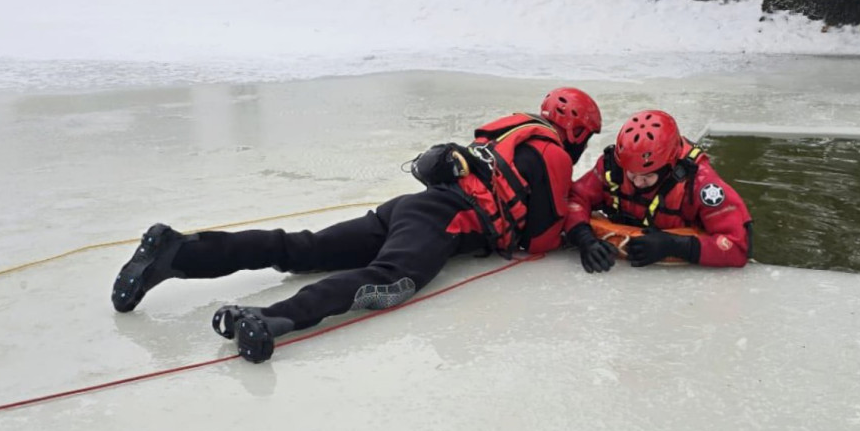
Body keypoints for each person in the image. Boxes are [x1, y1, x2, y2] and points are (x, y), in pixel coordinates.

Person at [110, 87, 602, 364]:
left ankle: (178, 253)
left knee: (299, 248)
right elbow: (539, 241)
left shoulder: (509, 127)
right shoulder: (555, 153)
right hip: (445, 223)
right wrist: (575, 232)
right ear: (578, 131)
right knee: (389, 280)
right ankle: (271, 319)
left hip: (407, 207)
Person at [564, 109, 752, 272]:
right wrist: (585, 239)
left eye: (647, 177)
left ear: (669, 167)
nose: (637, 182)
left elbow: (737, 246)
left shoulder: (701, 184)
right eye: (631, 174)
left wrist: (675, 246)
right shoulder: (612, 167)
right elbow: (576, 197)